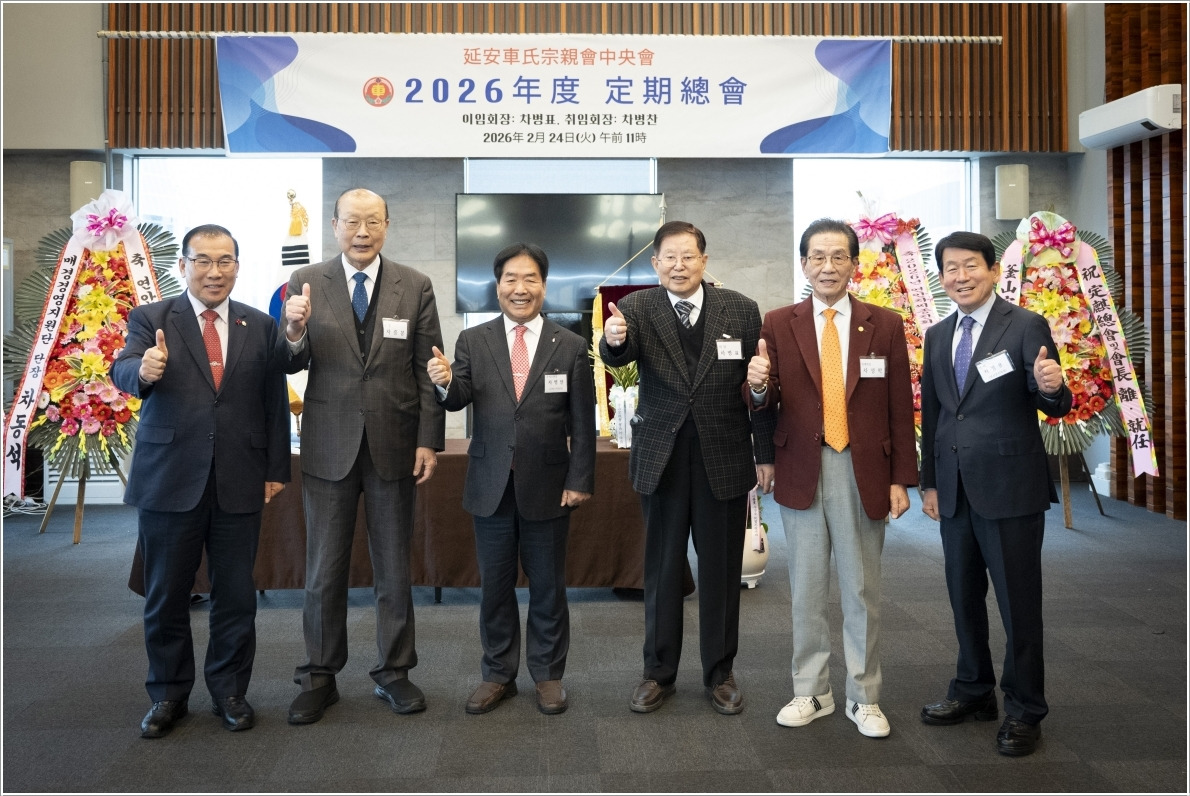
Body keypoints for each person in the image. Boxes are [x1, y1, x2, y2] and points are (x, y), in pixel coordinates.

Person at [112, 224, 290, 738]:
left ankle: (230, 691)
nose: (215, 271)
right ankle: (168, 694)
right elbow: (124, 370)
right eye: (203, 261)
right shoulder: (151, 318)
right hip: (170, 479)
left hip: (240, 478)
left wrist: (276, 469)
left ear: (237, 265)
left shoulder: (260, 324)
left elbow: (273, 402)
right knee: (166, 595)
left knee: (236, 596)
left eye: (225, 261)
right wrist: (144, 370)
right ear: (183, 265)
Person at [746, 218, 918, 738]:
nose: (827, 266)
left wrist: (900, 478)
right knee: (806, 589)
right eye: (817, 257)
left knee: (861, 589)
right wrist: (757, 387)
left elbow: (898, 406)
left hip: (862, 468)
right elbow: (763, 402)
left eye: (838, 256)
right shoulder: (779, 322)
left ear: (853, 264)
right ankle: (811, 691)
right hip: (800, 466)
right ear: (803, 264)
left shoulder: (884, 324)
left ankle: (864, 697)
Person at [281, 188, 445, 724]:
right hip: (328, 443)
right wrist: (294, 329)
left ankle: (394, 671)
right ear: (334, 226)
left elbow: (428, 367)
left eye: (372, 221)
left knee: (394, 568)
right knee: (323, 569)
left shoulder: (414, 285)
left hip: (394, 443)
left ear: (387, 226)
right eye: (352, 222)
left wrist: (428, 439)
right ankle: (318, 676)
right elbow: (290, 360)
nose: (362, 232)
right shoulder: (306, 281)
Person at [599, 220, 776, 715]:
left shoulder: (741, 309)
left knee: (722, 571)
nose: (679, 266)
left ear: (704, 261)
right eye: (669, 258)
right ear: (655, 263)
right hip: (663, 458)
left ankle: (720, 673)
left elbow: (757, 385)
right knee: (661, 570)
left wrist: (765, 451)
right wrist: (613, 340)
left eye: (688, 256)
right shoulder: (636, 308)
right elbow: (620, 355)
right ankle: (658, 673)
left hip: (725, 455)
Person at [918, 231, 1071, 757]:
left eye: (970, 266)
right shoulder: (938, 334)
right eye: (951, 268)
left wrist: (1051, 386)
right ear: (942, 276)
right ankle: (973, 689)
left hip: (1009, 488)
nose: (960, 277)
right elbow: (936, 414)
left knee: (1017, 604)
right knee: (963, 598)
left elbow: (1052, 400)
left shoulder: (1024, 325)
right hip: (954, 489)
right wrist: (929, 481)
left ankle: (1025, 709)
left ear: (992, 271)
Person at [427, 243, 595, 716]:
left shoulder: (570, 344)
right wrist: (443, 380)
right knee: (495, 589)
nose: (520, 289)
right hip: (491, 485)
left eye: (530, 279)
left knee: (548, 588)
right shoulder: (473, 340)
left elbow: (583, 423)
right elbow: (458, 397)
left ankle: (548, 675)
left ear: (544, 285)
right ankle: (498, 673)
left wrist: (580, 478)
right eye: (510, 279)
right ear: (497, 285)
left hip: (550, 485)